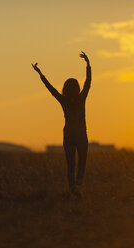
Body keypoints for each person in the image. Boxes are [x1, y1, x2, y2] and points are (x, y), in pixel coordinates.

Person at [32, 51, 91, 198]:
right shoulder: (81, 98)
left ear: (65, 88)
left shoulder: (63, 100)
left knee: (71, 164)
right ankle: (78, 185)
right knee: (82, 162)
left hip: (69, 135)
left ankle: (72, 189)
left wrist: (40, 73)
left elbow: (50, 88)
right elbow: (88, 83)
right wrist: (88, 64)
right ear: (77, 88)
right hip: (81, 134)